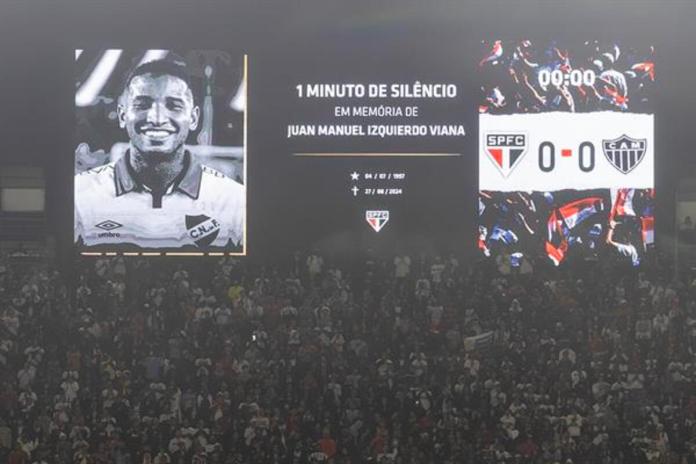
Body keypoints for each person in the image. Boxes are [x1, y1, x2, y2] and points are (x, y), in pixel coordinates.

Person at [75, 57, 245, 251]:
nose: (156, 118)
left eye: (174, 106)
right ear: (123, 116)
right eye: (142, 105)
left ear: (194, 118)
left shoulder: (234, 201)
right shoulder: (80, 197)